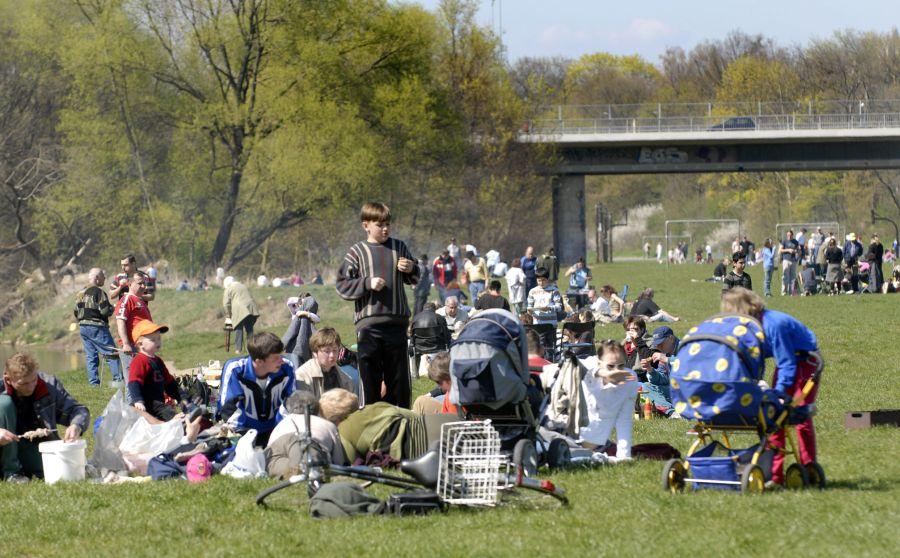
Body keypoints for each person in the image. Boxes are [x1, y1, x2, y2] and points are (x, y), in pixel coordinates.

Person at [720, 288, 821, 488]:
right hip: (787, 364)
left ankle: (809, 468)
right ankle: (775, 476)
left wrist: (780, 393)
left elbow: (787, 362)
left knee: (798, 416)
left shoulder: (774, 324)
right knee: (773, 418)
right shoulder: (751, 326)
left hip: (805, 363)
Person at [336, 202, 419, 409]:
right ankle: (371, 425)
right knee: (370, 380)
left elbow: (417, 277)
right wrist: (367, 283)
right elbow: (342, 285)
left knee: (399, 383)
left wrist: (410, 268)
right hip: (368, 328)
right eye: (380, 224)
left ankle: (399, 424)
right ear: (366, 225)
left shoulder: (399, 247)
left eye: (388, 224)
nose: (385, 229)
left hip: (397, 326)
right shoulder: (357, 252)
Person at [0, 353, 89, 482]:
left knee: (58, 469)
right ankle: (11, 473)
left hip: (32, 446)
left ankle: (25, 469)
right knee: (4, 404)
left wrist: (76, 425)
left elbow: (78, 410)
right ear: (8, 379)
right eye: (24, 383)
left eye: (34, 380)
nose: (31, 387)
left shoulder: (49, 385)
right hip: (4, 449)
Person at [218, 332, 296, 446]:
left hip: (276, 432)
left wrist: (281, 432)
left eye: (281, 355)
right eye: (276, 358)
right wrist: (243, 439)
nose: (282, 360)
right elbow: (228, 407)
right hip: (243, 433)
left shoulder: (287, 368)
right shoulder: (235, 369)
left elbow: (290, 403)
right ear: (259, 361)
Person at [265, 391, 348, 478]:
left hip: (280, 449)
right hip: (312, 447)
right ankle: (301, 472)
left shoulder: (281, 424)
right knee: (311, 465)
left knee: (281, 465)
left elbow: (269, 453)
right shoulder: (328, 425)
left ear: (290, 408)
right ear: (317, 409)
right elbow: (339, 462)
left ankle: (295, 473)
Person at [578, 340, 638, 460]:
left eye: (621, 366)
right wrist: (603, 373)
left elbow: (624, 420)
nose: (616, 371)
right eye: (610, 366)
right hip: (568, 437)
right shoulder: (588, 364)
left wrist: (624, 457)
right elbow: (572, 366)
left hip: (598, 443)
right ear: (599, 362)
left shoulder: (629, 379)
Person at [127, 321, 188, 423]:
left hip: (158, 402)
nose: (158, 342)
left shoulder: (158, 360)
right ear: (140, 344)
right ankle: (178, 422)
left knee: (165, 410)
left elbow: (169, 383)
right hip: (146, 403)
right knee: (168, 412)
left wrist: (181, 397)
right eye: (153, 340)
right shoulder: (139, 361)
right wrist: (138, 400)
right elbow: (134, 382)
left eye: (159, 338)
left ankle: (181, 423)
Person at [74, 267, 123, 386]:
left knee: (91, 356)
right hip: (97, 327)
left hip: (83, 327)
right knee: (111, 352)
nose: (105, 279)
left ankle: (94, 383)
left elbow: (76, 311)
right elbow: (105, 311)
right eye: (103, 276)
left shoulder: (80, 292)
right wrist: (114, 307)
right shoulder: (99, 292)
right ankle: (118, 380)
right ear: (97, 278)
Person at [295, 328, 356, 400]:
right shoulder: (302, 377)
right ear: (315, 352)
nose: (332, 355)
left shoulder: (346, 380)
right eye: (327, 351)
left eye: (335, 350)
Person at [114, 273, 153, 375]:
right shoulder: (127, 299)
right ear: (130, 284)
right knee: (133, 383)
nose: (144, 286)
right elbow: (120, 321)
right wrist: (126, 344)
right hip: (132, 348)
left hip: (143, 347)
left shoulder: (140, 300)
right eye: (140, 283)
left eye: (144, 283)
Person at [642, 326, 678, 416]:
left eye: (661, 343)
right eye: (657, 344)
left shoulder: (685, 348)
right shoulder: (665, 353)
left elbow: (691, 365)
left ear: (671, 338)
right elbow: (663, 379)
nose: (658, 346)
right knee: (647, 387)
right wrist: (650, 369)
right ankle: (672, 413)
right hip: (674, 390)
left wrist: (667, 359)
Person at [223, 276, 260, 354]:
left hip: (239, 309)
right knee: (249, 329)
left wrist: (228, 314)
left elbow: (226, 304)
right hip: (251, 308)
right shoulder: (243, 285)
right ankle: (251, 349)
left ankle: (238, 349)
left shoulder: (228, 289)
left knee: (238, 329)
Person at [622, 316, 653, 381]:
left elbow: (647, 357)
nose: (631, 332)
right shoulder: (625, 343)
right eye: (628, 330)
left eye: (635, 329)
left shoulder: (649, 341)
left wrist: (637, 340)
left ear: (642, 329)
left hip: (641, 377)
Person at [780, 230, 800, 296]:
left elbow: (799, 251)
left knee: (793, 277)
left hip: (793, 260)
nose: (789, 236)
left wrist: (795, 251)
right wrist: (788, 250)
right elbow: (781, 250)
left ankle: (792, 292)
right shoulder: (784, 241)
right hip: (786, 260)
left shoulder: (796, 242)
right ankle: (784, 291)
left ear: (792, 235)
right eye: (788, 235)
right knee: (785, 276)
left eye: (790, 235)